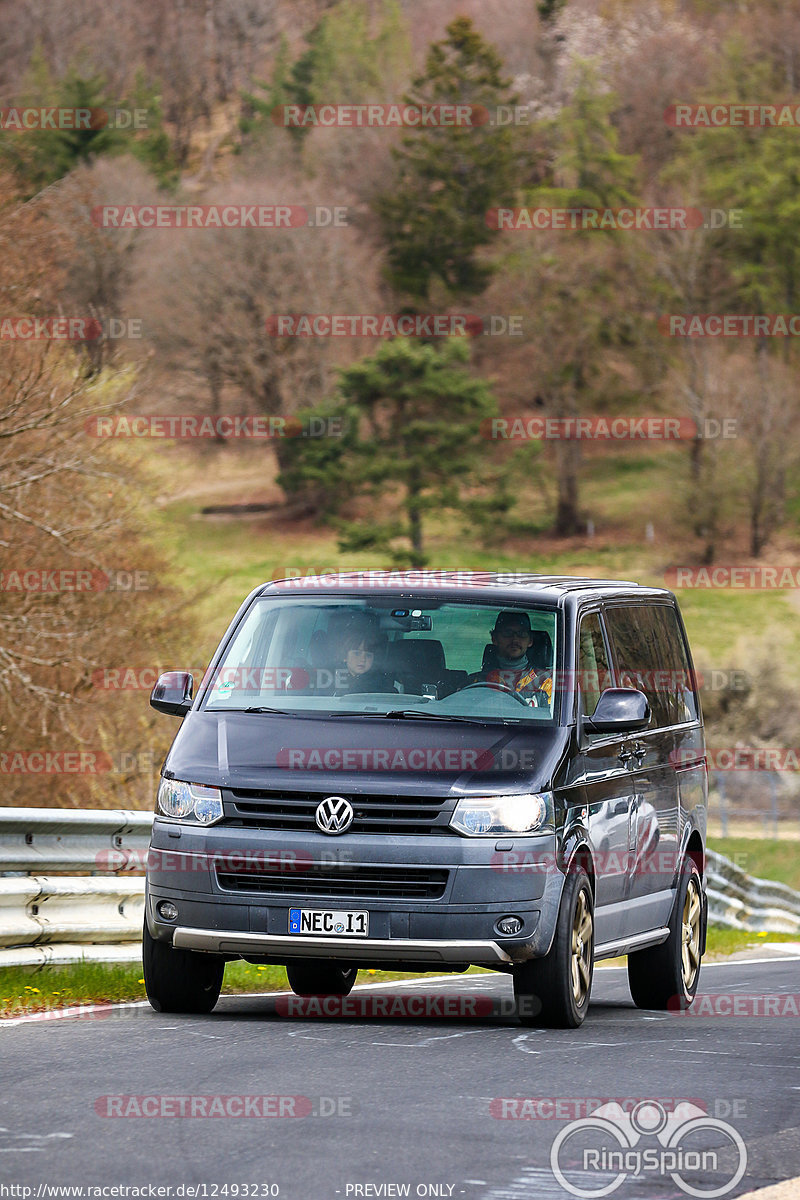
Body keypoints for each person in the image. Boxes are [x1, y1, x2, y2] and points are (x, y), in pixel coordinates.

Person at [473, 610, 553, 705]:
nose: (515, 639)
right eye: (508, 633)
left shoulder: (546, 681)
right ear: (494, 638)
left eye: (521, 634)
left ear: (530, 640)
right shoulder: (478, 682)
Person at [333, 618, 397, 694]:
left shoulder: (381, 686)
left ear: (373, 659)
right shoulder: (329, 679)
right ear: (344, 657)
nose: (363, 659)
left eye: (368, 655)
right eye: (357, 653)